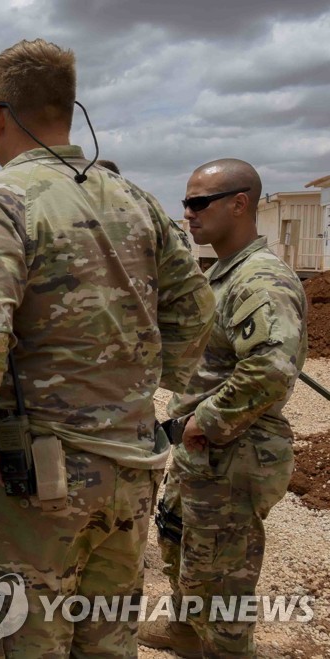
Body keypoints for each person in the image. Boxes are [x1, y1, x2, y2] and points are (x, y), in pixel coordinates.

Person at [0, 39, 215, 656]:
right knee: (107, 642)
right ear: (68, 109)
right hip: (133, 472)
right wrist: (134, 387)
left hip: (39, 484)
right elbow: (196, 315)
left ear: (0, 114)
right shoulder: (139, 203)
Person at [139, 159, 308, 658]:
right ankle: (187, 633)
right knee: (182, 544)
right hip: (204, 448)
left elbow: (271, 370)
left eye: (198, 202)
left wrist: (204, 423)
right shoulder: (223, 274)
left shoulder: (261, 281)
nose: (187, 213)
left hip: (233, 452)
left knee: (221, 576)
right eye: (185, 202)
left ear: (239, 204)